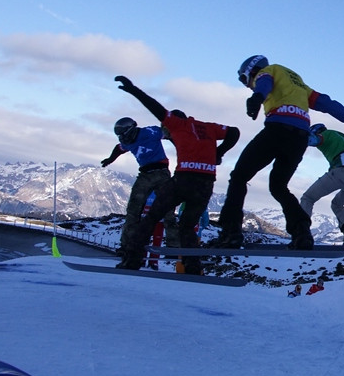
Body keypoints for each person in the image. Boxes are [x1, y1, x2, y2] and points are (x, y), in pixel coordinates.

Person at [212, 55, 344, 251]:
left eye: (244, 80)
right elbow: (328, 104)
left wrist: (257, 97)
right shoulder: (299, 84)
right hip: (299, 138)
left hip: (277, 128)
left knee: (239, 176)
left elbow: (264, 82)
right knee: (278, 186)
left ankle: (230, 233)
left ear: (251, 71)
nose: (247, 85)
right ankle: (302, 234)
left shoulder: (269, 71)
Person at [113, 76, 240, 274]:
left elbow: (155, 107)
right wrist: (219, 153)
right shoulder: (207, 127)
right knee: (187, 226)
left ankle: (132, 259)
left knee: (152, 217)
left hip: (184, 179)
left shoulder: (176, 125)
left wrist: (133, 90)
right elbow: (234, 132)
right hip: (206, 184)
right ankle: (192, 266)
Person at [101, 117, 179, 253]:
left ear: (129, 130)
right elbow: (118, 148)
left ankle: (173, 244)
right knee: (135, 210)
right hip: (148, 174)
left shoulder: (151, 131)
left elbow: (169, 134)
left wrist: (180, 149)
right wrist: (110, 159)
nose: (121, 138)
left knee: (162, 210)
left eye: (122, 134)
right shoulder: (128, 141)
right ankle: (128, 245)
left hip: (158, 174)